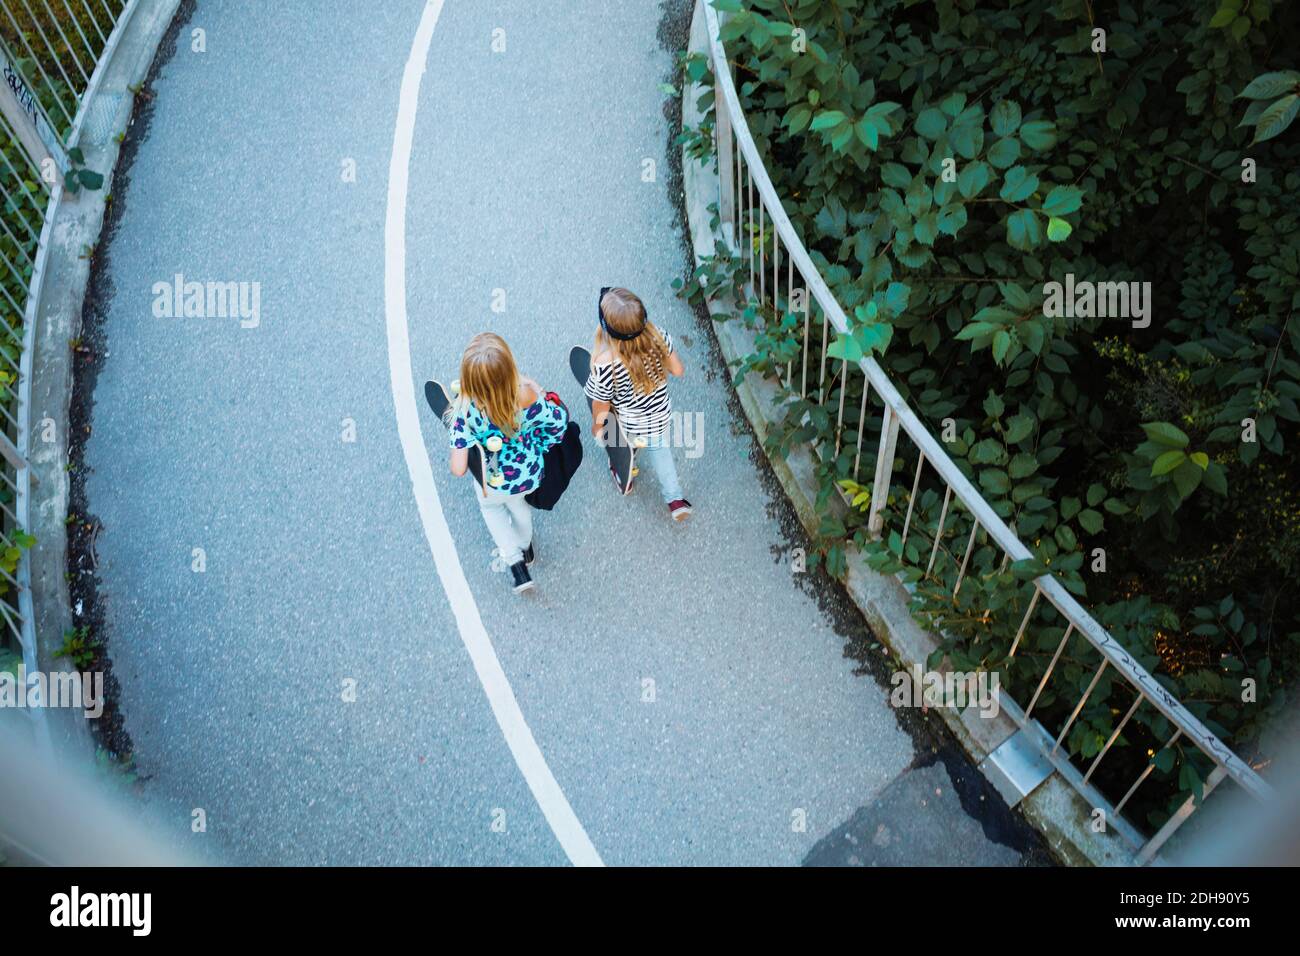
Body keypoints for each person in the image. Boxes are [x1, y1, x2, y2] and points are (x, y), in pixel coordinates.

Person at [446, 333, 568, 593]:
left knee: (493, 512)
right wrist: (539, 392)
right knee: (521, 511)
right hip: (526, 475)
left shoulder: (464, 410)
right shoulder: (525, 397)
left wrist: (458, 439)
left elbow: (458, 468)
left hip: (491, 481)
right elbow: (558, 423)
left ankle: (516, 565)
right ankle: (525, 548)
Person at [585, 287, 692, 520]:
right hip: (660, 416)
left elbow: (601, 407)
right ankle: (675, 500)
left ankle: (627, 470)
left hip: (630, 424)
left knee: (626, 448)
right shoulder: (659, 337)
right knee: (661, 452)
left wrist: (597, 428)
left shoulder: (605, 365)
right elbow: (678, 370)